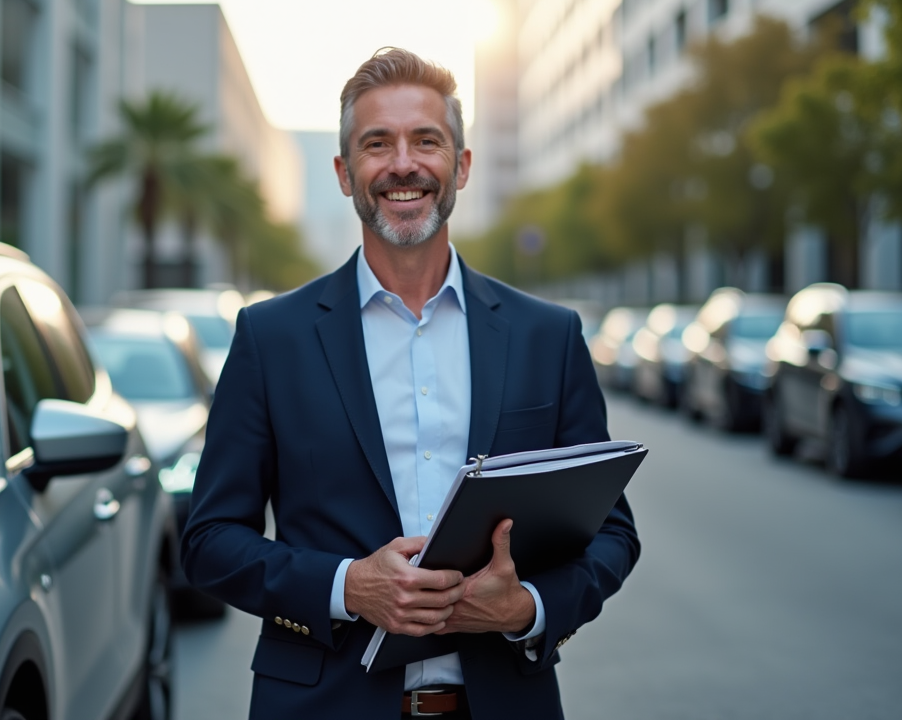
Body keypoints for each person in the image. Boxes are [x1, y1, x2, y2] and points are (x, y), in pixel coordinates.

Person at [182, 48, 639, 719]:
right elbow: (210, 540)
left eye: (427, 140)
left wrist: (528, 607)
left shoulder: (548, 335)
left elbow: (612, 533)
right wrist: (347, 586)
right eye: (377, 144)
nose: (403, 164)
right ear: (344, 173)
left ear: (462, 164)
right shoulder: (269, 338)